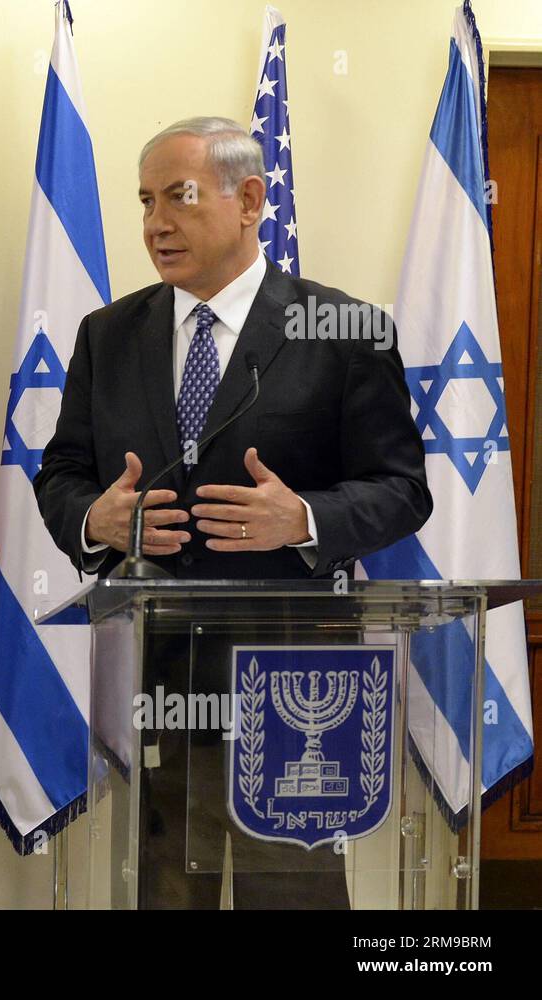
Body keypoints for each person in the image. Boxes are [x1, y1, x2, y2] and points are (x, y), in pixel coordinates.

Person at [33, 117, 433, 908]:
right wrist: (96, 522)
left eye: (176, 198)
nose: (154, 223)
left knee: (290, 896)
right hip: (154, 675)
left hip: (296, 684)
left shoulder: (343, 332)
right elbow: (62, 475)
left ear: (249, 199)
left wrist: (306, 520)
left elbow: (401, 487)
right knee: (162, 893)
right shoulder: (109, 334)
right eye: (145, 201)